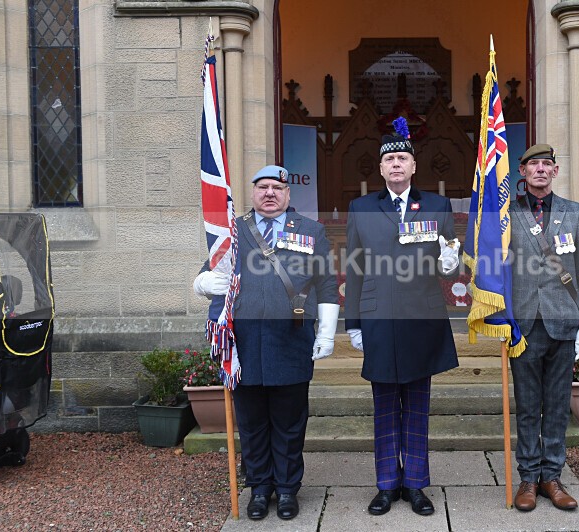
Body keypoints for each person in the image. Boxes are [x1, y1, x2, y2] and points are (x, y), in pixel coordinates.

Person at [193, 165, 339, 521]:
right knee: (253, 422)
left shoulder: (311, 231)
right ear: (253, 193)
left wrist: (328, 332)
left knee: (290, 423)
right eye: (262, 187)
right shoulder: (232, 232)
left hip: (291, 340)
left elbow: (327, 285)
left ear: (289, 194)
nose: (270, 193)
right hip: (243, 345)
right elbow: (206, 273)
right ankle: (259, 488)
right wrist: (203, 285)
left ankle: (287, 489)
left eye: (277, 187)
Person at [345, 118, 460, 517]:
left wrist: (451, 262)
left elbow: (448, 267)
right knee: (383, 408)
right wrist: (353, 322)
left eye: (403, 158)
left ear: (414, 166)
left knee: (417, 406)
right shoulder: (361, 208)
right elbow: (355, 268)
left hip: (421, 318)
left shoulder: (436, 205)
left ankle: (415, 484)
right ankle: (385, 485)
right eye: (390, 159)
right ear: (380, 168)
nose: (396, 165)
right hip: (377, 318)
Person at [508, 144, 579, 512]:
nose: (540, 170)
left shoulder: (574, 213)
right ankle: (528, 478)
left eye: (547, 165)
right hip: (524, 324)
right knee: (528, 406)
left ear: (555, 171)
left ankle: (551, 477)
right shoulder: (505, 215)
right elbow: (493, 269)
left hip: (562, 322)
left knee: (558, 405)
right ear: (523, 172)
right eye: (533, 165)